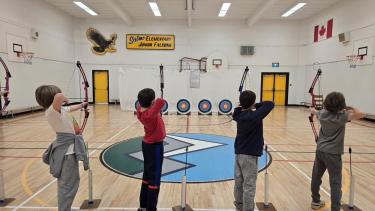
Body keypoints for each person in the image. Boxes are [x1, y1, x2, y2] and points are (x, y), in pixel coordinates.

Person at [35, 85, 89, 211]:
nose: (60, 95)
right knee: (68, 185)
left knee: (69, 182)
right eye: (57, 94)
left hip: (69, 153)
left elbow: (70, 108)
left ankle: (65, 208)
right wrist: (65, 97)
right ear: (52, 97)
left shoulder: (60, 110)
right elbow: (60, 97)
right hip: (67, 154)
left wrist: (82, 105)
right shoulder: (52, 112)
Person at [310, 92, 366, 211]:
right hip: (334, 154)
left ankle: (315, 201)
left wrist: (313, 109)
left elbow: (314, 111)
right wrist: (349, 107)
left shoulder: (322, 114)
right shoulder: (342, 116)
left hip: (320, 150)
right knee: (335, 182)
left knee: (316, 177)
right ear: (341, 104)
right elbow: (361, 114)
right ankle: (335, 208)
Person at [232, 90, 274, 211]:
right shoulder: (255, 116)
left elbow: (237, 109)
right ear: (252, 102)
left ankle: (239, 207)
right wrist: (254, 105)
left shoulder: (238, 114)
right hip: (249, 156)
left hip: (239, 154)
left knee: (239, 183)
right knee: (249, 185)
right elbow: (270, 104)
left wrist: (246, 105)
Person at [136, 88, 166, 211]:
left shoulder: (141, 111)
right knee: (155, 178)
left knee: (147, 175)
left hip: (147, 145)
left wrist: (150, 102)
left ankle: (143, 206)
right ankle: (151, 208)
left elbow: (156, 103)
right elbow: (161, 101)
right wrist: (154, 101)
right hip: (155, 147)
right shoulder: (150, 115)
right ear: (152, 102)